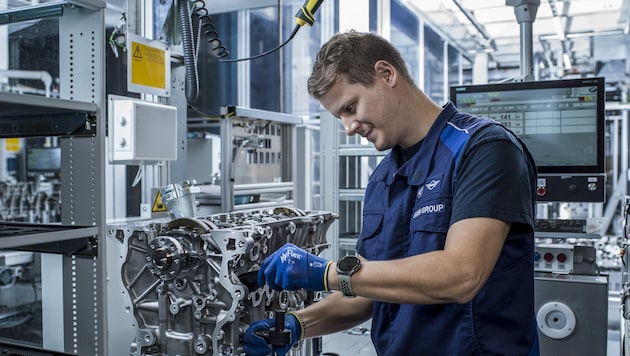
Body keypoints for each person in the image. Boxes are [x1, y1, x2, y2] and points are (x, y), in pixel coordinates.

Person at [244, 30, 540, 356]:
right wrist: (299, 324)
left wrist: (324, 272)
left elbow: (461, 275)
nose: (349, 127)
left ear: (386, 74)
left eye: (350, 107)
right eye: (340, 116)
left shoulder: (483, 148)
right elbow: (368, 290)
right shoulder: (383, 178)